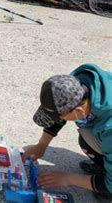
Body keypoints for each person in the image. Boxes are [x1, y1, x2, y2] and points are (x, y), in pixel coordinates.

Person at [24, 63, 111, 199]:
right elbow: (61, 111)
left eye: (60, 116)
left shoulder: (109, 126)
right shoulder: (76, 83)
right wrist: (41, 145)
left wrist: (69, 179)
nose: (57, 120)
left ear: (78, 111)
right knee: (85, 138)